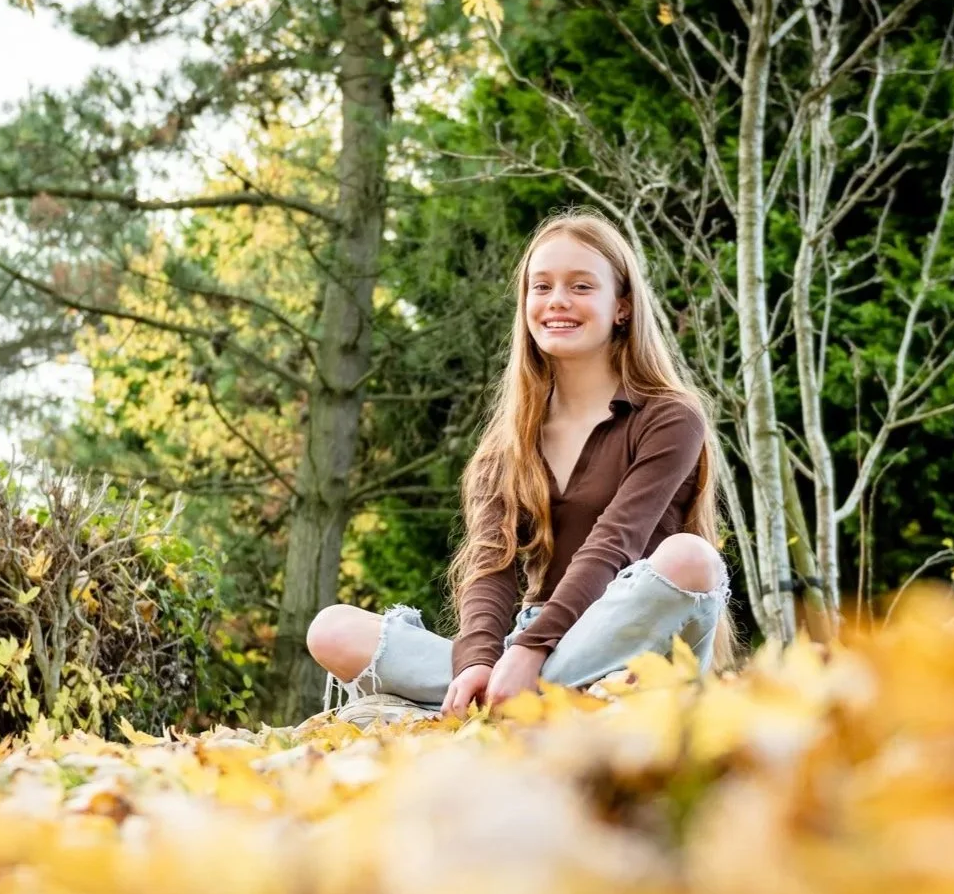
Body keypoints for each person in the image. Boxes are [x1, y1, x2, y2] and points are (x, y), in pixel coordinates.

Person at [307, 209, 732, 716]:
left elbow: (614, 542)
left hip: (635, 636)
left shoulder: (668, 416)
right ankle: (539, 698)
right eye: (542, 286)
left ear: (621, 307)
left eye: (580, 286)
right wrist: (477, 663)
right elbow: (491, 566)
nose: (557, 301)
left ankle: (508, 703)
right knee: (331, 629)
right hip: (533, 641)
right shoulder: (506, 443)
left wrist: (531, 651)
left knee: (692, 558)